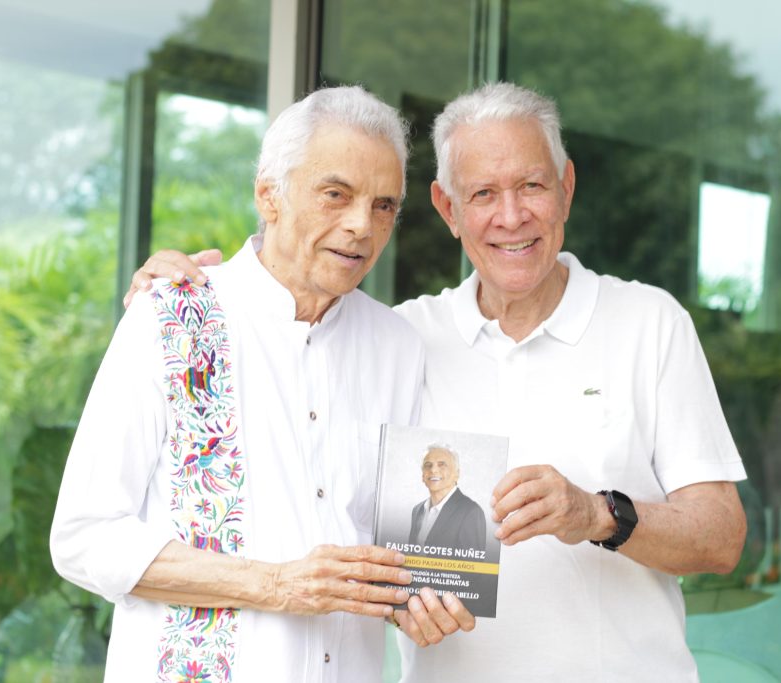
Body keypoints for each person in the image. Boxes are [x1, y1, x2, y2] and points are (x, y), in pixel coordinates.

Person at [127, 82, 748, 680]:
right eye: (483, 194)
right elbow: (338, 507)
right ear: (448, 209)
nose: (511, 216)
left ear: (566, 188)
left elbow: (722, 539)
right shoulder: (398, 340)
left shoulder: (650, 322)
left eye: (532, 185)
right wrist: (191, 295)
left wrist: (596, 514)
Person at [49, 85, 473, 683]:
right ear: (269, 194)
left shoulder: (398, 347)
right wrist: (276, 584)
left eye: (383, 205)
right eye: (335, 194)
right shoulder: (171, 316)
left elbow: (404, 552)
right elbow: (83, 537)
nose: (361, 225)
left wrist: (422, 602)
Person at [409, 445, 486, 552]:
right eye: (428, 465)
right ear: (423, 475)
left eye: (442, 465)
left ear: (457, 474)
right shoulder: (417, 510)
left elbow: (472, 561)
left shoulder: (471, 511)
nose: (433, 470)